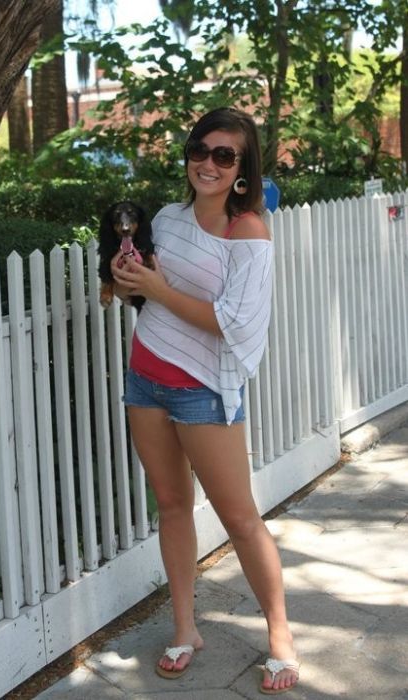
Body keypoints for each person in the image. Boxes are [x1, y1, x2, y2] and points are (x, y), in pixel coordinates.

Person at [111, 106, 300, 695]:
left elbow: (236, 325)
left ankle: (281, 639)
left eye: (225, 155)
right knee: (170, 505)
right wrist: (127, 278)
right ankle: (186, 629)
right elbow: (144, 294)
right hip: (145, 379)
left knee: (240, 518)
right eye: (200, 150)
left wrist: (159, 289)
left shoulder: (248, 233)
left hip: (204, 392)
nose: (209, 163)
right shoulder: (166, 219)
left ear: (243, 168)